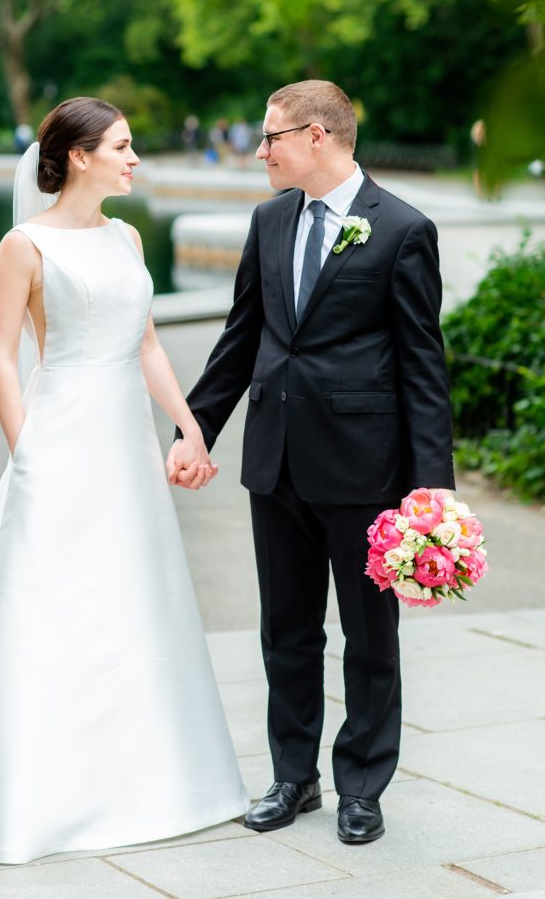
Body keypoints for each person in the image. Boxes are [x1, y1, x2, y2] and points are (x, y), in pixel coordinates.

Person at [0, 97, 248, 864]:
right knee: (48, 597)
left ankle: (148, 779)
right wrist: (25, 450)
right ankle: (32, 790)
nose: (135, 159)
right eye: (123, 147)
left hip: (125, 442)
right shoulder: (22, 245)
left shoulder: (126, 237)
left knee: (133, 593)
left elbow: (148, 344)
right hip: (59, 435)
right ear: (81, 156)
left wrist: (188, 424)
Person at [167, 80, 454, 845]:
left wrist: (433, 494)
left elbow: (423, 367)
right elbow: (241, 339)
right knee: (286, 631)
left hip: (365, 470)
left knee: (368, 637)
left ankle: (363, 784)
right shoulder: (267, 222)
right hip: (276, 462)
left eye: (272, 137)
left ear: (318, 136)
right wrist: (193, 432)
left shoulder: (401, 229)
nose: (259, 151)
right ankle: (292, 778)